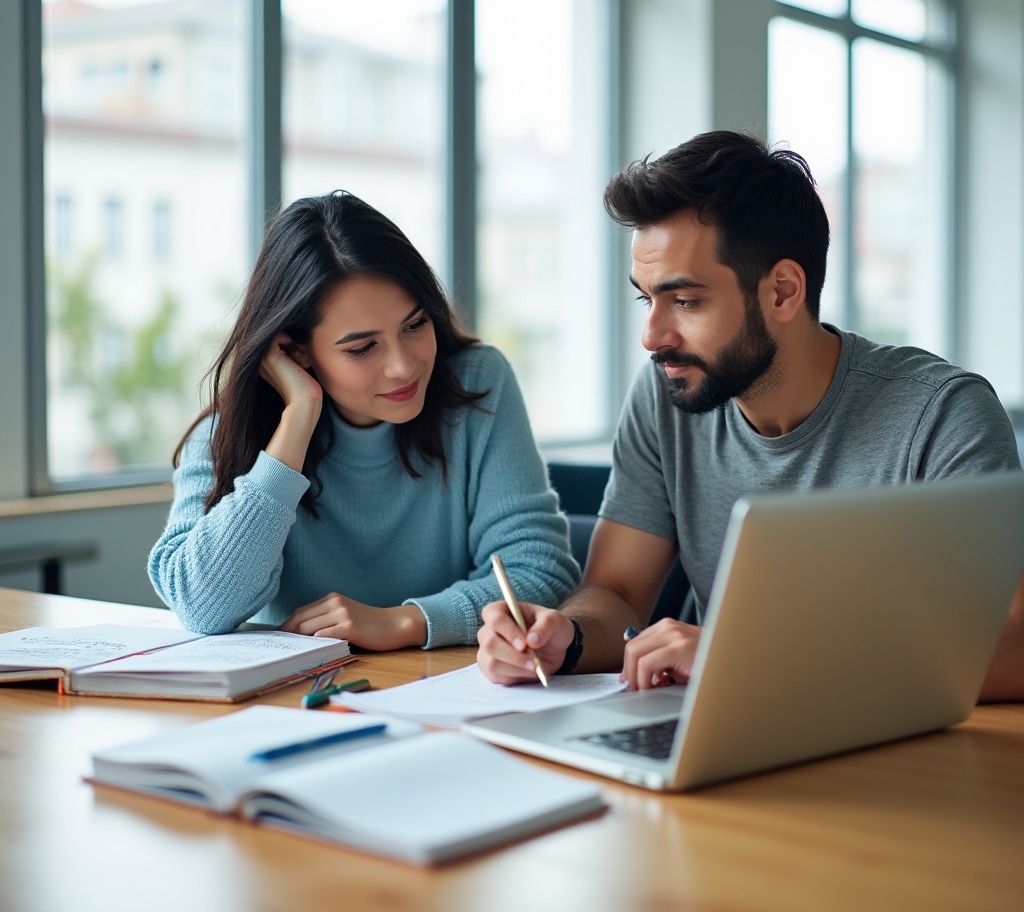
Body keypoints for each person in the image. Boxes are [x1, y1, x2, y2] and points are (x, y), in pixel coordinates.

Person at [476, 129, 1024, 701]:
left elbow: (1013, 644)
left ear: (783, 291)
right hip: (727, 727)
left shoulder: (942, 414)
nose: (651, 336)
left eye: (685, 302)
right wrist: (569, 637)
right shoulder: (666, 393)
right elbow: (614, 591)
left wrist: (745, 659)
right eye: (647, 299)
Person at [149, 190, 580, 649]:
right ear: (296, 352)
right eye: (361, 348)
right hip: (300, 703)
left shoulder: (477, 383)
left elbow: (539, 571)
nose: (404, 366)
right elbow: (201, 606)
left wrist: (403, 622)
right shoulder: (225, 434)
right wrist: (298, 419)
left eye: (415, 326)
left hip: (446, 691)